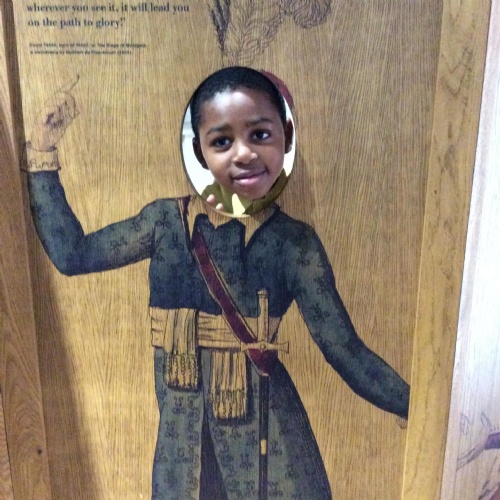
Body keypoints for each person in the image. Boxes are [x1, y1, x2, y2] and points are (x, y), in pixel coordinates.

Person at [24, 66, 410, 500]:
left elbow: (344, 349)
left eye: (260, 134)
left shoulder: (294, 244)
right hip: (183, 459)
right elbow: (73, 256)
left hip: (269, 452)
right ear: (199, 150)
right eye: (222, 141)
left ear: (285, 138)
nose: (243, 154)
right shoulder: (164, 223)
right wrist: (43, 151)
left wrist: (411, 405)